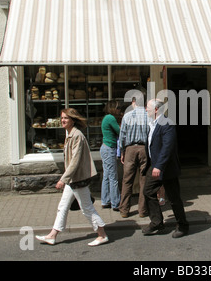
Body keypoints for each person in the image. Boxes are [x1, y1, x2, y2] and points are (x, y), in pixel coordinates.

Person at [36, 108, 108, 246]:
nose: (62, 120)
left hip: (78, 179)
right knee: (62, 206)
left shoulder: (77, 135)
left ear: (73, 120)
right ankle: (52, 235)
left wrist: (63, 179)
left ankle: (102, 234)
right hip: (73, 179)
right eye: (62, 117)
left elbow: (75, 160)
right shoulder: (69, 133)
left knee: (87, 208)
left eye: (66, 118)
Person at [142, 99, 189, 238]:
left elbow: (167, 147)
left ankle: (182, 225)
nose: (146, 110)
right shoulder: (153, 124)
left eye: (148, 107)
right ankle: (157, 222)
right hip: (154, 165)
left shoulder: (167, 123)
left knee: (174, 198)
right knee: (148, 191)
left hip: (166, 167)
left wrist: (159, 166)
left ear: (156, 109)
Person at [118, 97, 149, 218]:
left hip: (130, 149)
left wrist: (122, 152)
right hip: (144, 149)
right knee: (144, 180)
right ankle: (143, 210)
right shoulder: (149, 116)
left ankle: (124, 210)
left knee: (127, 181)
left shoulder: (127, 116)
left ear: (133, 102)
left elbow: (122, 136)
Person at [100, 100, 121, 210]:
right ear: (112, 108)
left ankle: (105, 200)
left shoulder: (106, 118)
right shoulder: (110, 118)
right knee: (113, 177)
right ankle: (116, 203)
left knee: (107, 176)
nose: (119, 110)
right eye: (117, 108)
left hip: (105, 148)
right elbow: (119, 131)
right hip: (109, 148)